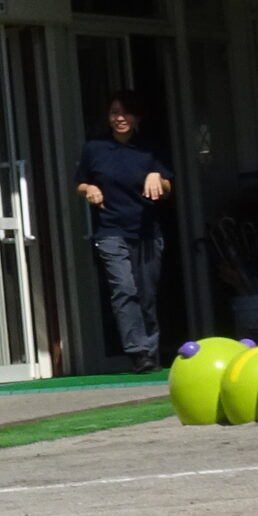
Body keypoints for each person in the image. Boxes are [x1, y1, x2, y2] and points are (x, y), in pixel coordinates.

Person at [76, 91, 173, 372]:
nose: (120, 118)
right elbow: (80, 183)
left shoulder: (149, 149)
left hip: (146, 232)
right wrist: (89, 189)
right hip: (111, 230)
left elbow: (168, 188)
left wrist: (157, 176)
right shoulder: (95, 148)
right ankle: (138, 352)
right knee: (124, 289)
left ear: (136, 116)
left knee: (146, 294)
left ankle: (150, 352)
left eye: (126, 112)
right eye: (114, 113)